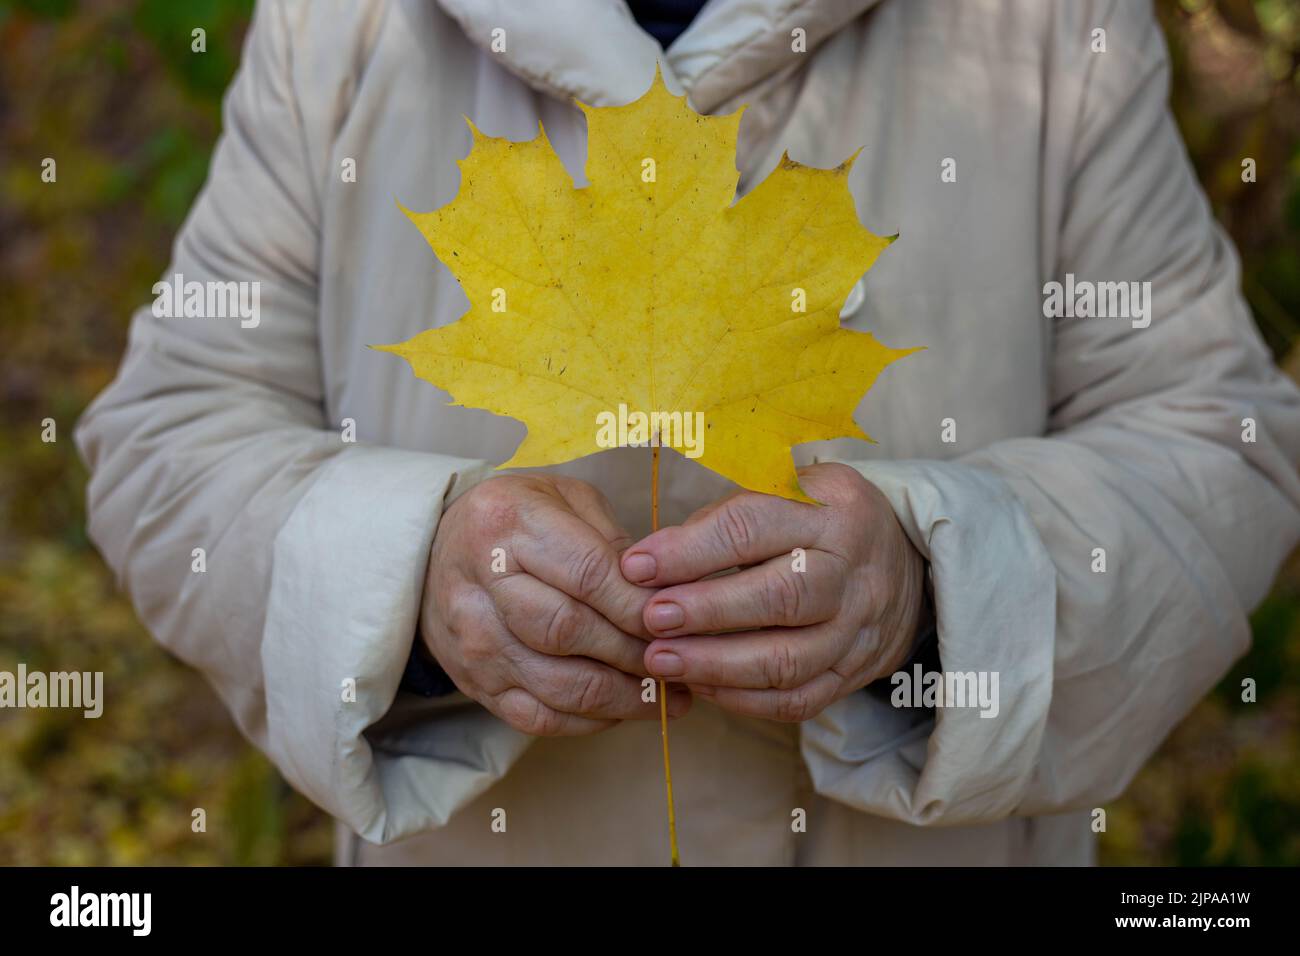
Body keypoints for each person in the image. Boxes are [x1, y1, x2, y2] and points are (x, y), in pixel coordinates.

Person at [77, 0, 1300, 865]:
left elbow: (1220, 443)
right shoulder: (335, 25)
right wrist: (405, 569)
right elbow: (168, 432)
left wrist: (939, 581)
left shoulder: (1051, 25)